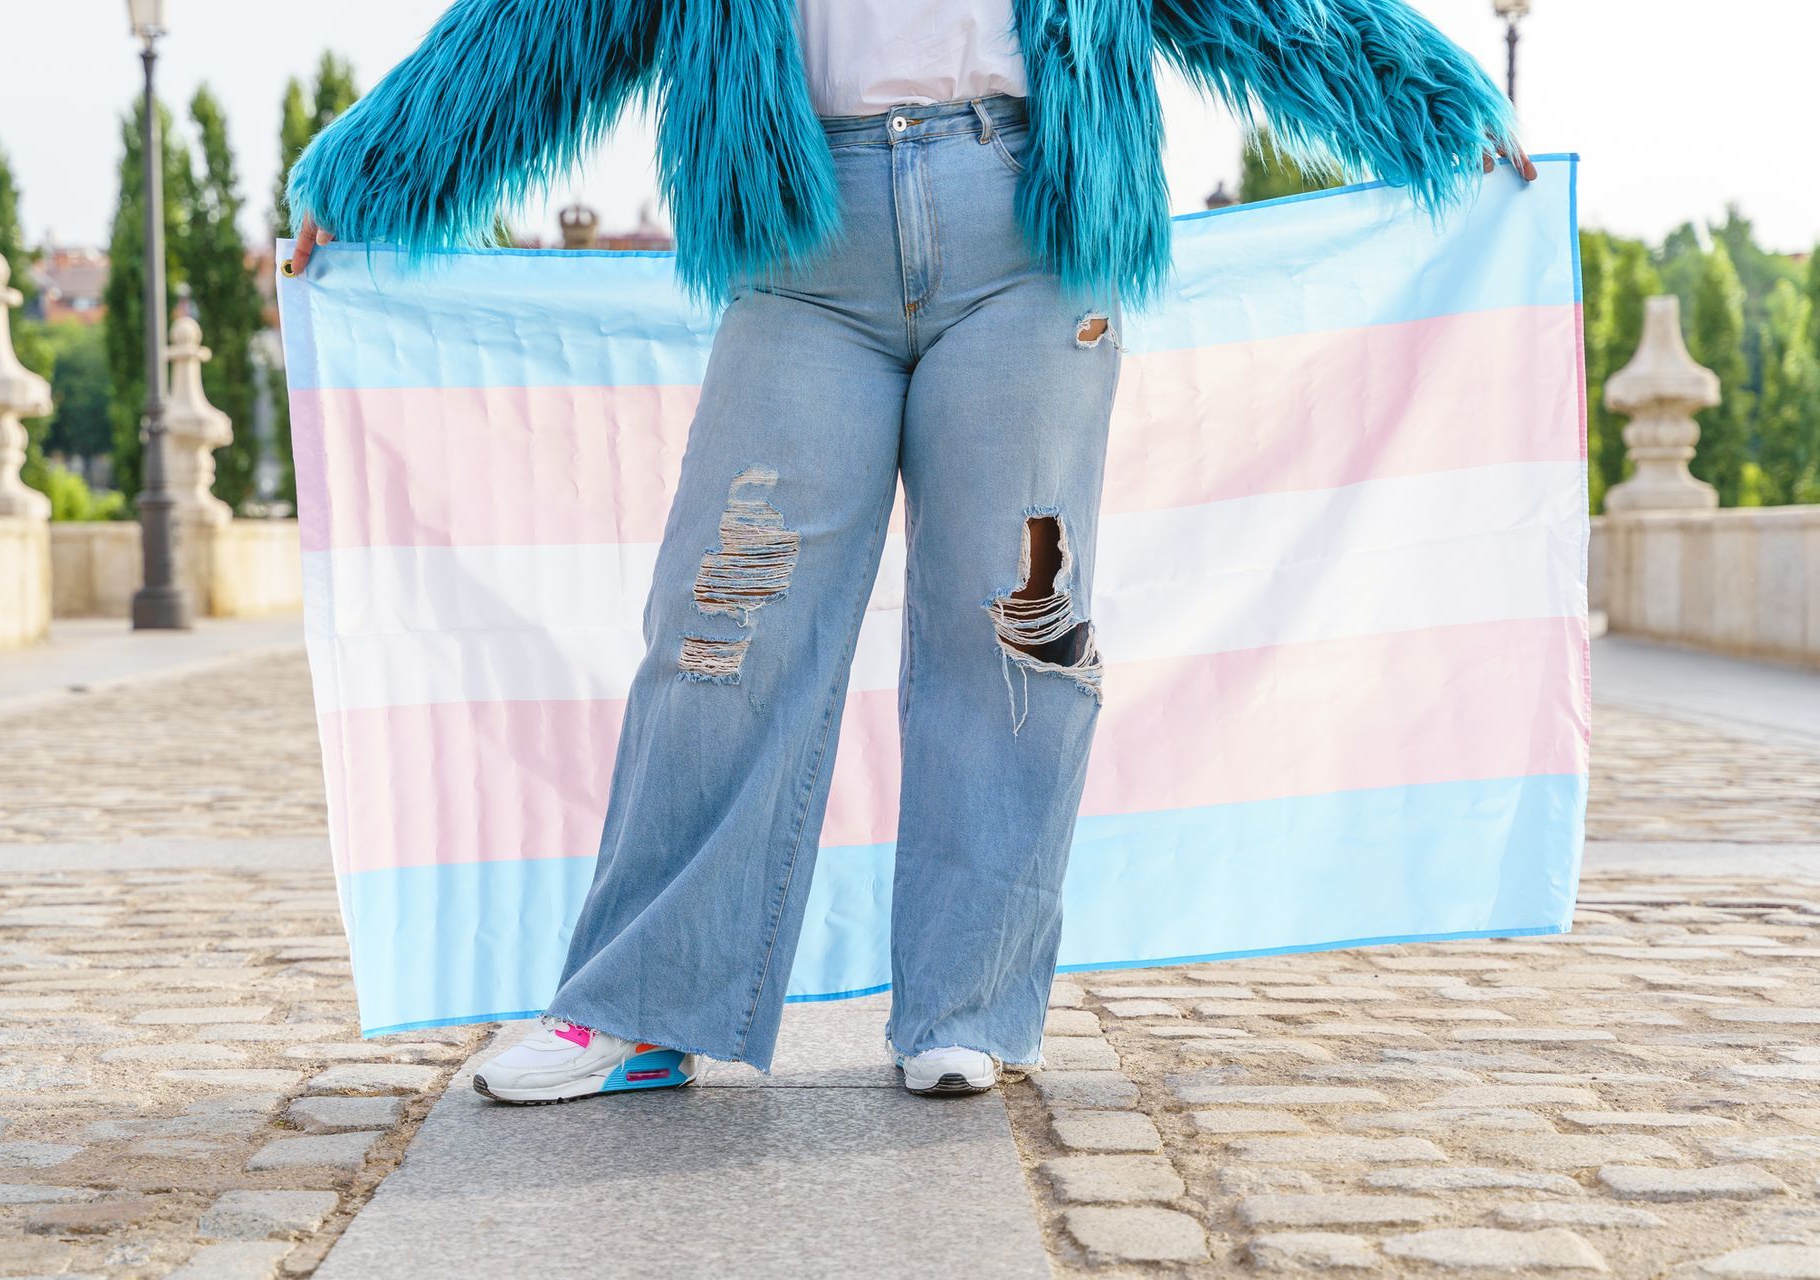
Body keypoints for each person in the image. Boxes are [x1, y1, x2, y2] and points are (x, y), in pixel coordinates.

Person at [284, 0, 1533, 1102]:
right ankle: (641, 1004)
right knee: (724, 617)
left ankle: (966, 1006)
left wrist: (1434, 106)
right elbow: (546, 22)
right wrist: (364, 175)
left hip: (1032, 231)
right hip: (800, 233)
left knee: (1016, 618)